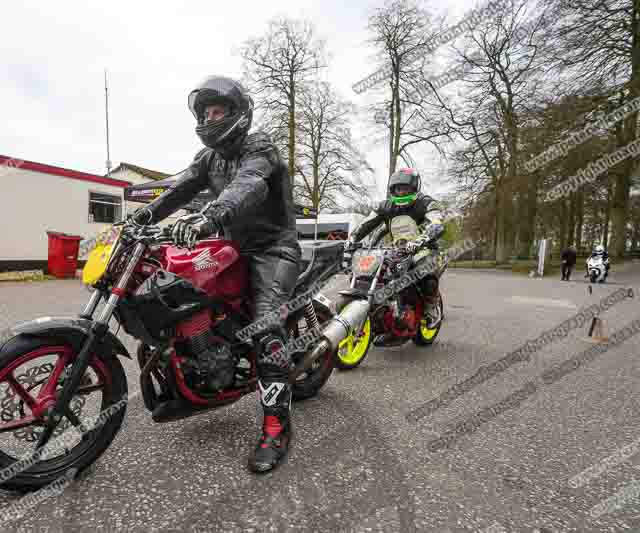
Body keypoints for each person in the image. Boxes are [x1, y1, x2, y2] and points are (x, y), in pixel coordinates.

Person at [129, 76, 301, 474]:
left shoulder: (261, 148)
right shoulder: (209, 159)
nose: (209, 119)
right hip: (230, 247)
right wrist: (141, 217)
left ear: (238, 114)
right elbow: (179, 188)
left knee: (265, 324)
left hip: (272, 249)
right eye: (204, 113)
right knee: (179, 293)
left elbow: (248, 186)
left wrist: (209, 217)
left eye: (217, 111)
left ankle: (277, 426)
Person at [342, 167, 445, 329]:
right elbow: (366, 224)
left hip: (424, 248)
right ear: (392, 190)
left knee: (425, 271)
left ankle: (431, 308)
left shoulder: (425, 203)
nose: (402, 192)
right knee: (368, 270)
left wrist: (421, 240)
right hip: (397, 249)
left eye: (405, 188)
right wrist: (352, 239)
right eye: (398, 189)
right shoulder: (386, 206)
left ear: (414, 188)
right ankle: (378, 309)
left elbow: (437, 223)